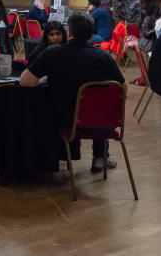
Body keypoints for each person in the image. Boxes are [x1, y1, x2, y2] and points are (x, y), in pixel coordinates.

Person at [21, 14, 125, 172]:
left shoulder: (52, 53)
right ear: (91, 34)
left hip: (67, 122)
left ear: (68, 32)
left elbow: (25, 81)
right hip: (104, 124)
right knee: (98, 106)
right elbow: (123, 88)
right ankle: (100, 157)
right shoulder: (104, 56)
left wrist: (45, 79)